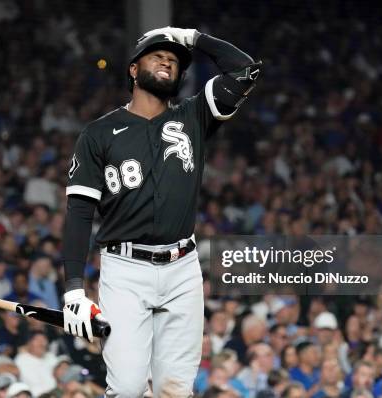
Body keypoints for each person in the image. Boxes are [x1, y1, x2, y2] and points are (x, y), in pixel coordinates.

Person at [60, 26, 259, 397]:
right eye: (157, 55)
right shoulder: (98, 134)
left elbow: (244, 69)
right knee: (129, 388)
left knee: (175, 390)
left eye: (174, 59)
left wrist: (192, 38)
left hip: (183, 269)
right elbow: (79, 213)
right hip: (125, 270)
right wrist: (74, 290)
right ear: (134, 70)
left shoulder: (193, 116)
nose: (168, 60)